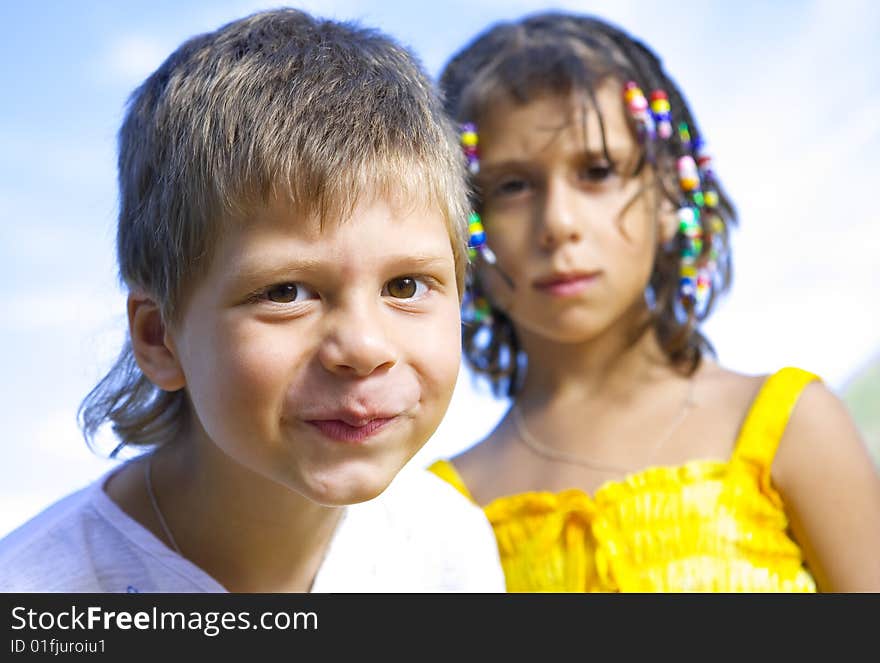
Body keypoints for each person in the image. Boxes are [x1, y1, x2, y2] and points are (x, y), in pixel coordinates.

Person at [0, 7, 505, 593]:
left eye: (405, 286)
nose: (364, 347)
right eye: (285, 293)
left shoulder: (449, 549)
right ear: (159, 338)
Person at [428, 10, 880, 592]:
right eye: (512, 185)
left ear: (669, 195)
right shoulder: (440, 513)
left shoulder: (788, 424)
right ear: (463, 224)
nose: (559, 224)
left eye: (597, 171)